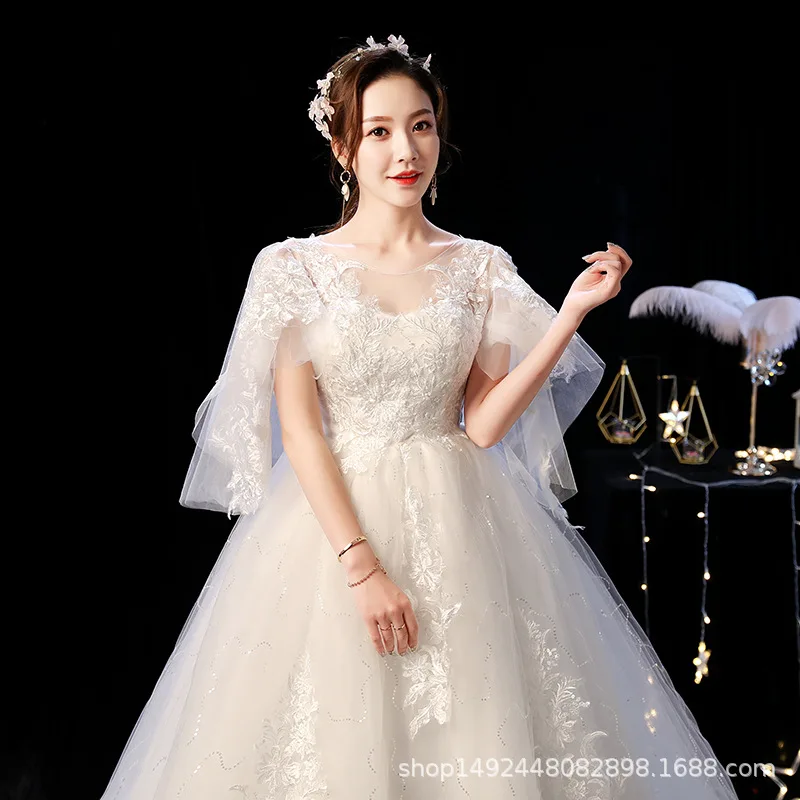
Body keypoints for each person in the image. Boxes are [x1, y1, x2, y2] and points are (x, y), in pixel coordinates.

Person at [101, 35, 739, 799]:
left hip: (465, 526)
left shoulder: (480, 267)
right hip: (330, 531)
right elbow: (299, 431)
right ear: (343, 148)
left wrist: (571, 313)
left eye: (422, 125)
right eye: (379, 131)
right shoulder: (291, 269)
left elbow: (484, 424)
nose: (406, 150)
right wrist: (362, 567)